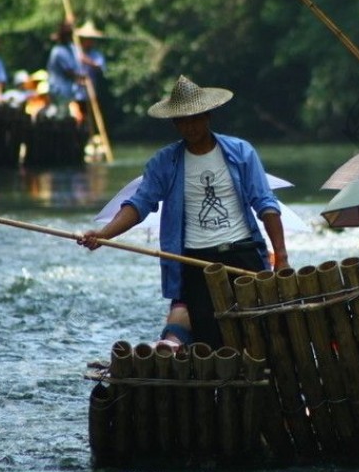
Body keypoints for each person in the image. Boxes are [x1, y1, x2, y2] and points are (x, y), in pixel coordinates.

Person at [78, 76, 289, 349]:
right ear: (174, 123)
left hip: (241, 252)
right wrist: (104, 234)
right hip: (193, 258)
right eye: (182, 120)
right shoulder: (164, 163)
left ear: (208, 115)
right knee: (207, 336)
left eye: (195, 118)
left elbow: (265, 204)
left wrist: (281, 256)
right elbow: (139, 205)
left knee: (255, 327)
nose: (189, 126)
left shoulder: (240, 153)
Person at [46, 21, 88, 125]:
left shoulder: (72, 48)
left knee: (68, 114)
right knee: (61, 115)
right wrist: (81, 78)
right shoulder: (58, 52)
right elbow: (69, 72)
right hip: (59, 90)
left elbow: (80, 57)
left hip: (69, 90)